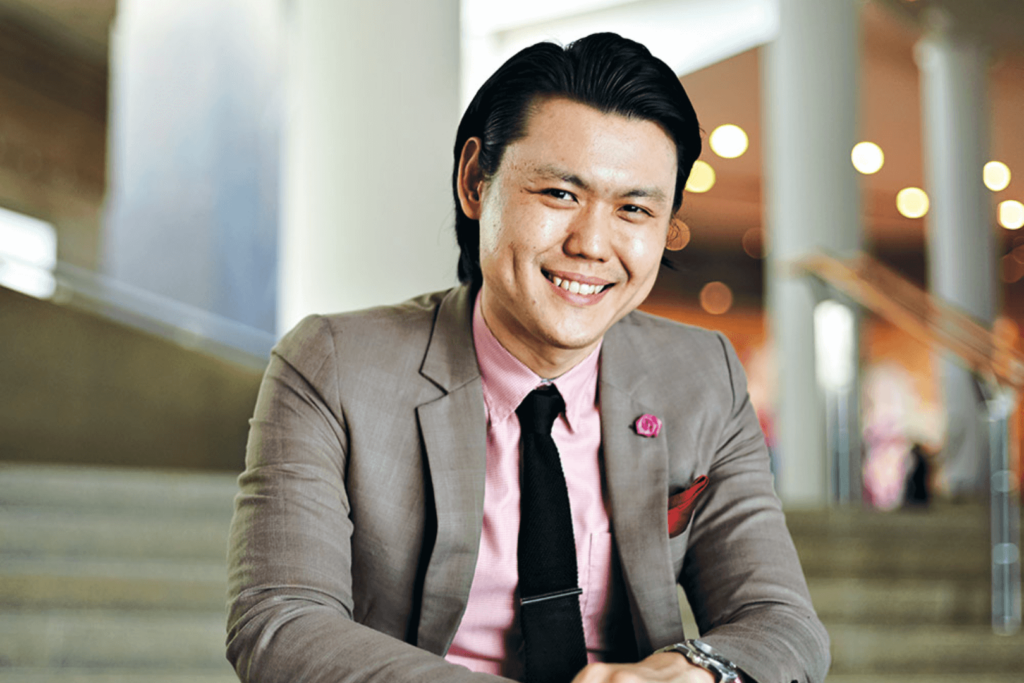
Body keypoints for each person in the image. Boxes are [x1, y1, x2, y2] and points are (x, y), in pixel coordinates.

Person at [226, 32, 829, 683]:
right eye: (560, 194)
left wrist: (690, 673)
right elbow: (281, 621)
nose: (592, 244)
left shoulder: (702, 374)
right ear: (474, 182)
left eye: (633, 208)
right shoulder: (334, 366)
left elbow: (780, 620)